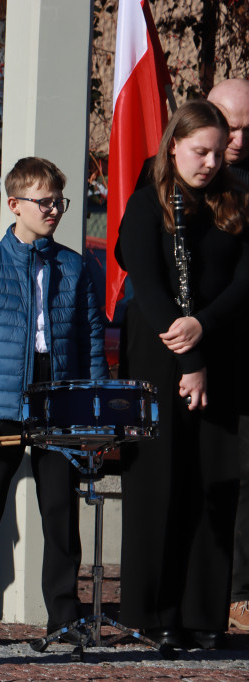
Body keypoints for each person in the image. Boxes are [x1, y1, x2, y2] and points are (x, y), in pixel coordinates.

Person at [0, 157, 107, 644]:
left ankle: (63, 613)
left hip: (58, 399)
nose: (54, 211)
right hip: (1, 403)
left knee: (61, 510)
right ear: (15, 204)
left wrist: (93, 416)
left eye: (59, 202)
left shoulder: (74, 265)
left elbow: (91, 345)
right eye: (44, 202)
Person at [116, 99, 249, 650]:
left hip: (219, 349)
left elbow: (246, 280)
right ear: (174, 144)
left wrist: (204, 327)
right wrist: (187, 352)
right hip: (160, 355)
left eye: (218, 152)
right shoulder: (148, 201)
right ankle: (156, 611)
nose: (211, 163)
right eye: (201, 151)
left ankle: (202, 613)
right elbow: (145, 282)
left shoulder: (236, 198)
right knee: (160, 483)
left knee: (212, 484)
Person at [207, 78, 249, 634]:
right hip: (201, 348)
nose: (238, 139)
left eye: (247, 128)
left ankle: (240, 592)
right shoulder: (182, 179)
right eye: (229, 125)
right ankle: (220, 591)